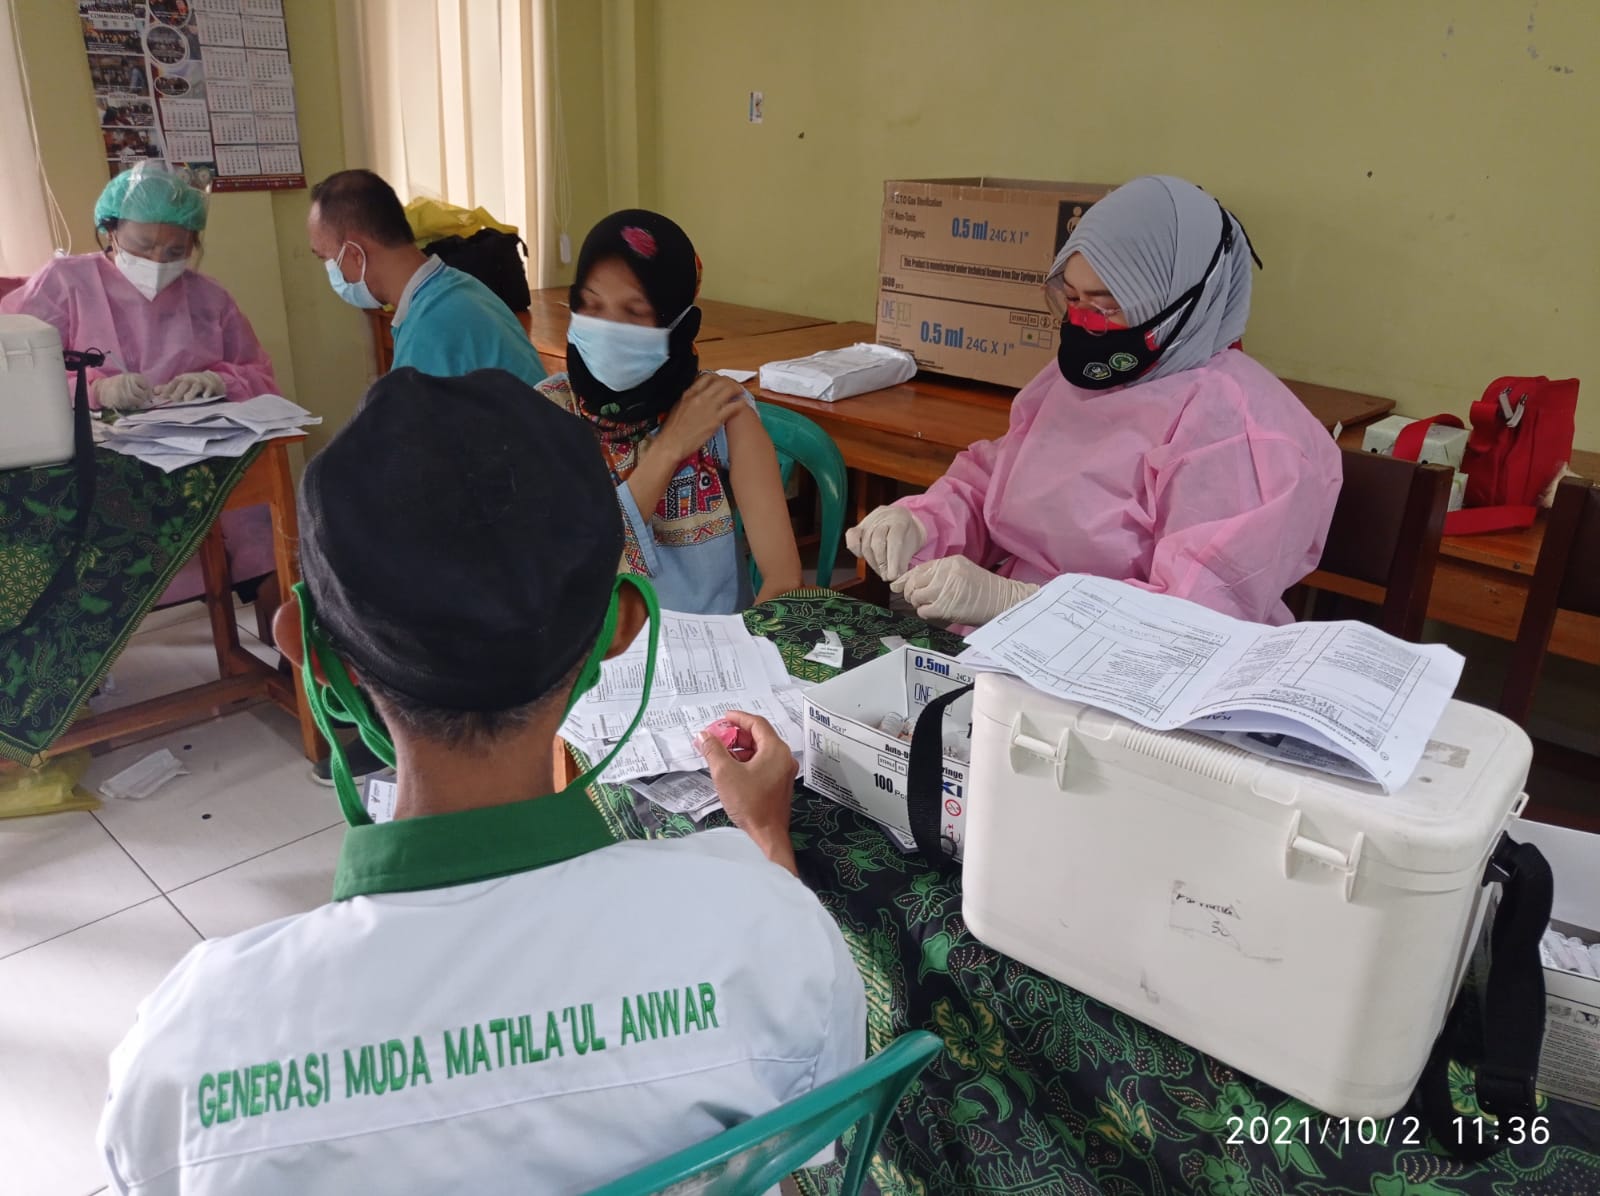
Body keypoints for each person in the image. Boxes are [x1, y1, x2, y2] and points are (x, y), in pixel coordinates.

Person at [96, 368, 866, 1194]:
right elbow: (794, 1157)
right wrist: (766, 843)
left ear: (308, 650)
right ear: (622, 628)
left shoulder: (192, 1056)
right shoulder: (770, 931)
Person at [848, 174, 1342, 629]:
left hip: (1132, 679)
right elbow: (998, 483)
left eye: (1107, 305)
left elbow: (1194, 620)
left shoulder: (1239, 431)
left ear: (1181, 299)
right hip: (1009, 649)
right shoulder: (1071, 385)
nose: (1085, 322)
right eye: (1073, 299)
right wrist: (922, 521)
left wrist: (1021, 603)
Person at [0, 163, 278, 607]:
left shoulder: (210, 298)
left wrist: (218, 381)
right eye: (143, 245)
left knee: (262, 513)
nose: (157, 262)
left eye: (175, 251)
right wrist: (93, 388)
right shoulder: (65, 283)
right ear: (109, 230)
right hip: (100, 462)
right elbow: (15, 375)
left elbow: (260, 375)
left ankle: (286, 633)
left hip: (197, 453)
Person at [539, 210, 801, 613]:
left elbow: (783, 579)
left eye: (634, 312)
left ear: (679, 323)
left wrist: (745, 654)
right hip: (591, 657)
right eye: (590, 305)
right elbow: (567, 573)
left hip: (713, 658)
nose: (608, 327)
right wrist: (669, 448)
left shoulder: (720, 411)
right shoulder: (545, 414)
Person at [307, 169, 546, 387]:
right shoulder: (457, 287)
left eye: (326, 258)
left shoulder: (431, 325)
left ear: (355, 254)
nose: (331, 271)